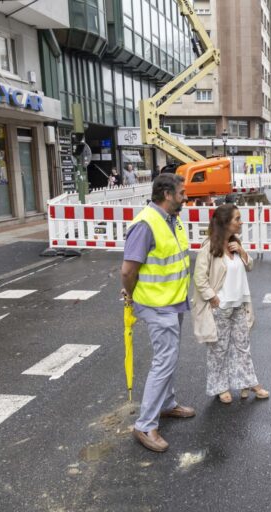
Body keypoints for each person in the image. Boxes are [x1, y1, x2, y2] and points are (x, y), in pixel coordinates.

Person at [121, 174, 195, 453]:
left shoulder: (172, 221)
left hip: (173, 301)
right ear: (166, 194)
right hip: (156, 304)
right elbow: (128, 270)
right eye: (182, 193)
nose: (185, 198)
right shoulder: (146, 224)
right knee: (164, 360)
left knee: (170, 356)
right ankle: (145, 424)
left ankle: (167, 404)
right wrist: (130, 294)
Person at [192, 204, 269, 404]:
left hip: (240, 305)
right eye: (237, 218)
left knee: (243, 346)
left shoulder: (236, 243)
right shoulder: (209, 247)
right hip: (220, 306)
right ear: (226, 223)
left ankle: (249, 382)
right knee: (219, 349)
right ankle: (220, 387)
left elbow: (249, 266)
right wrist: (213, 298)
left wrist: (242, 252)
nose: (241, 222)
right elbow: (200, 278)